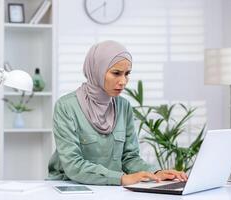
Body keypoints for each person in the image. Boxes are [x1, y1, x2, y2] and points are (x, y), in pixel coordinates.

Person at [48, 40, 187, 185]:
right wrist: (120, 178)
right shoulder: (66, 107)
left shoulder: (123, 106)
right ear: (97, 71)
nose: (123, 81)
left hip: (111, 188)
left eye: (127, 74)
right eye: (116, 73)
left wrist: (156, 173)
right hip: (68, 187)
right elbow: (73, 165)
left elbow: (129, 158)